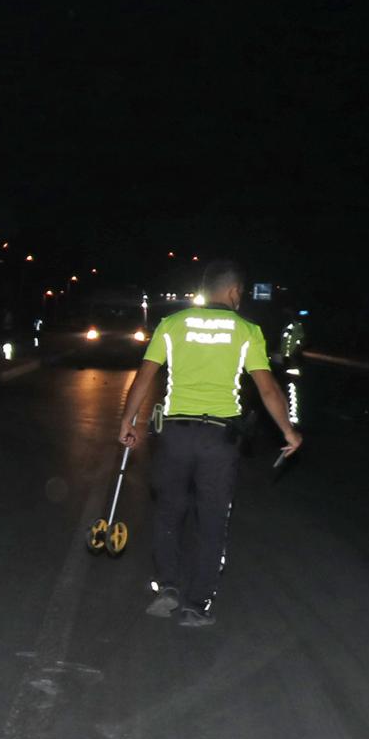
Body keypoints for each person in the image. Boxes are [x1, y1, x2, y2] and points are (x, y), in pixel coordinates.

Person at [116, 261, 304, 627]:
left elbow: (145, 376)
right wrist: (288, 431)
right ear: (234, 291)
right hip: (220, 439)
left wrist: (128, 421)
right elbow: (266, 387)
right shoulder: (247, 330)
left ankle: (167, 588)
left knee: (169, 512)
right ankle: (195, 605)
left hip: (174, 435)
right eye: (241, 293)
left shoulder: (172, 325)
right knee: (212, 520)